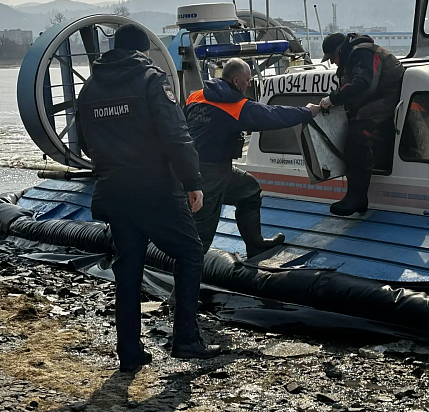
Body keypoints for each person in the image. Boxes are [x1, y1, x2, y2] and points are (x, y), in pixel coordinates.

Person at [76, 24, 219, 369]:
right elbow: (175, 135)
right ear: (142, 50)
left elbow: (82, 142)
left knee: (128, 269)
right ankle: (186, 338)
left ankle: (129, 351)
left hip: (113, 190)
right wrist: (192, 181)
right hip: (155, 188)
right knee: (190, 253)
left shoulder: (90, 88)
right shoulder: (151, 79)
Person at [185, 58, 320, 256]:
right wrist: (307, 112)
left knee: (248, 190)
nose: (250, 84)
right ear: (237, 80)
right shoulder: (237, 107)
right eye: (248, 81)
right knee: (201, 232)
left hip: (199, 165)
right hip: (208, 173)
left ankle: (255, 244)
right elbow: (273, 115)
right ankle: (186, 279)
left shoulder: (195, 96)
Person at [319, 32, 405, 216]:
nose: (333, 62)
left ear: (340, 50)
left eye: (333, 57)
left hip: (387, 103)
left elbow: (363, 84)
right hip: (378, 103)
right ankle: (356, 196)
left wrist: (333, 99)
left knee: (357, 141)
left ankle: (356, 198)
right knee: (353, 134)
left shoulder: (363, 53)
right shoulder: (357, 54)